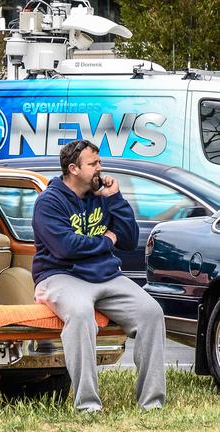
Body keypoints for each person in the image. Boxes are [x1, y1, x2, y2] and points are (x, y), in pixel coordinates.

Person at [32, 139, 166, 413]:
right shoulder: (49, 202)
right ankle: (88, 405)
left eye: (99, 162)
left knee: (151, 312)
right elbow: (66, 248)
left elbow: (128, 239)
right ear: (73, 168)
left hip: (105, 275)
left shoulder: (102, 196)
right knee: (81, 314)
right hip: (60, 275)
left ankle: (151, 404)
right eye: (93, 164)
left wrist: (115, 199)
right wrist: (107, 240)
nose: (100, 169)